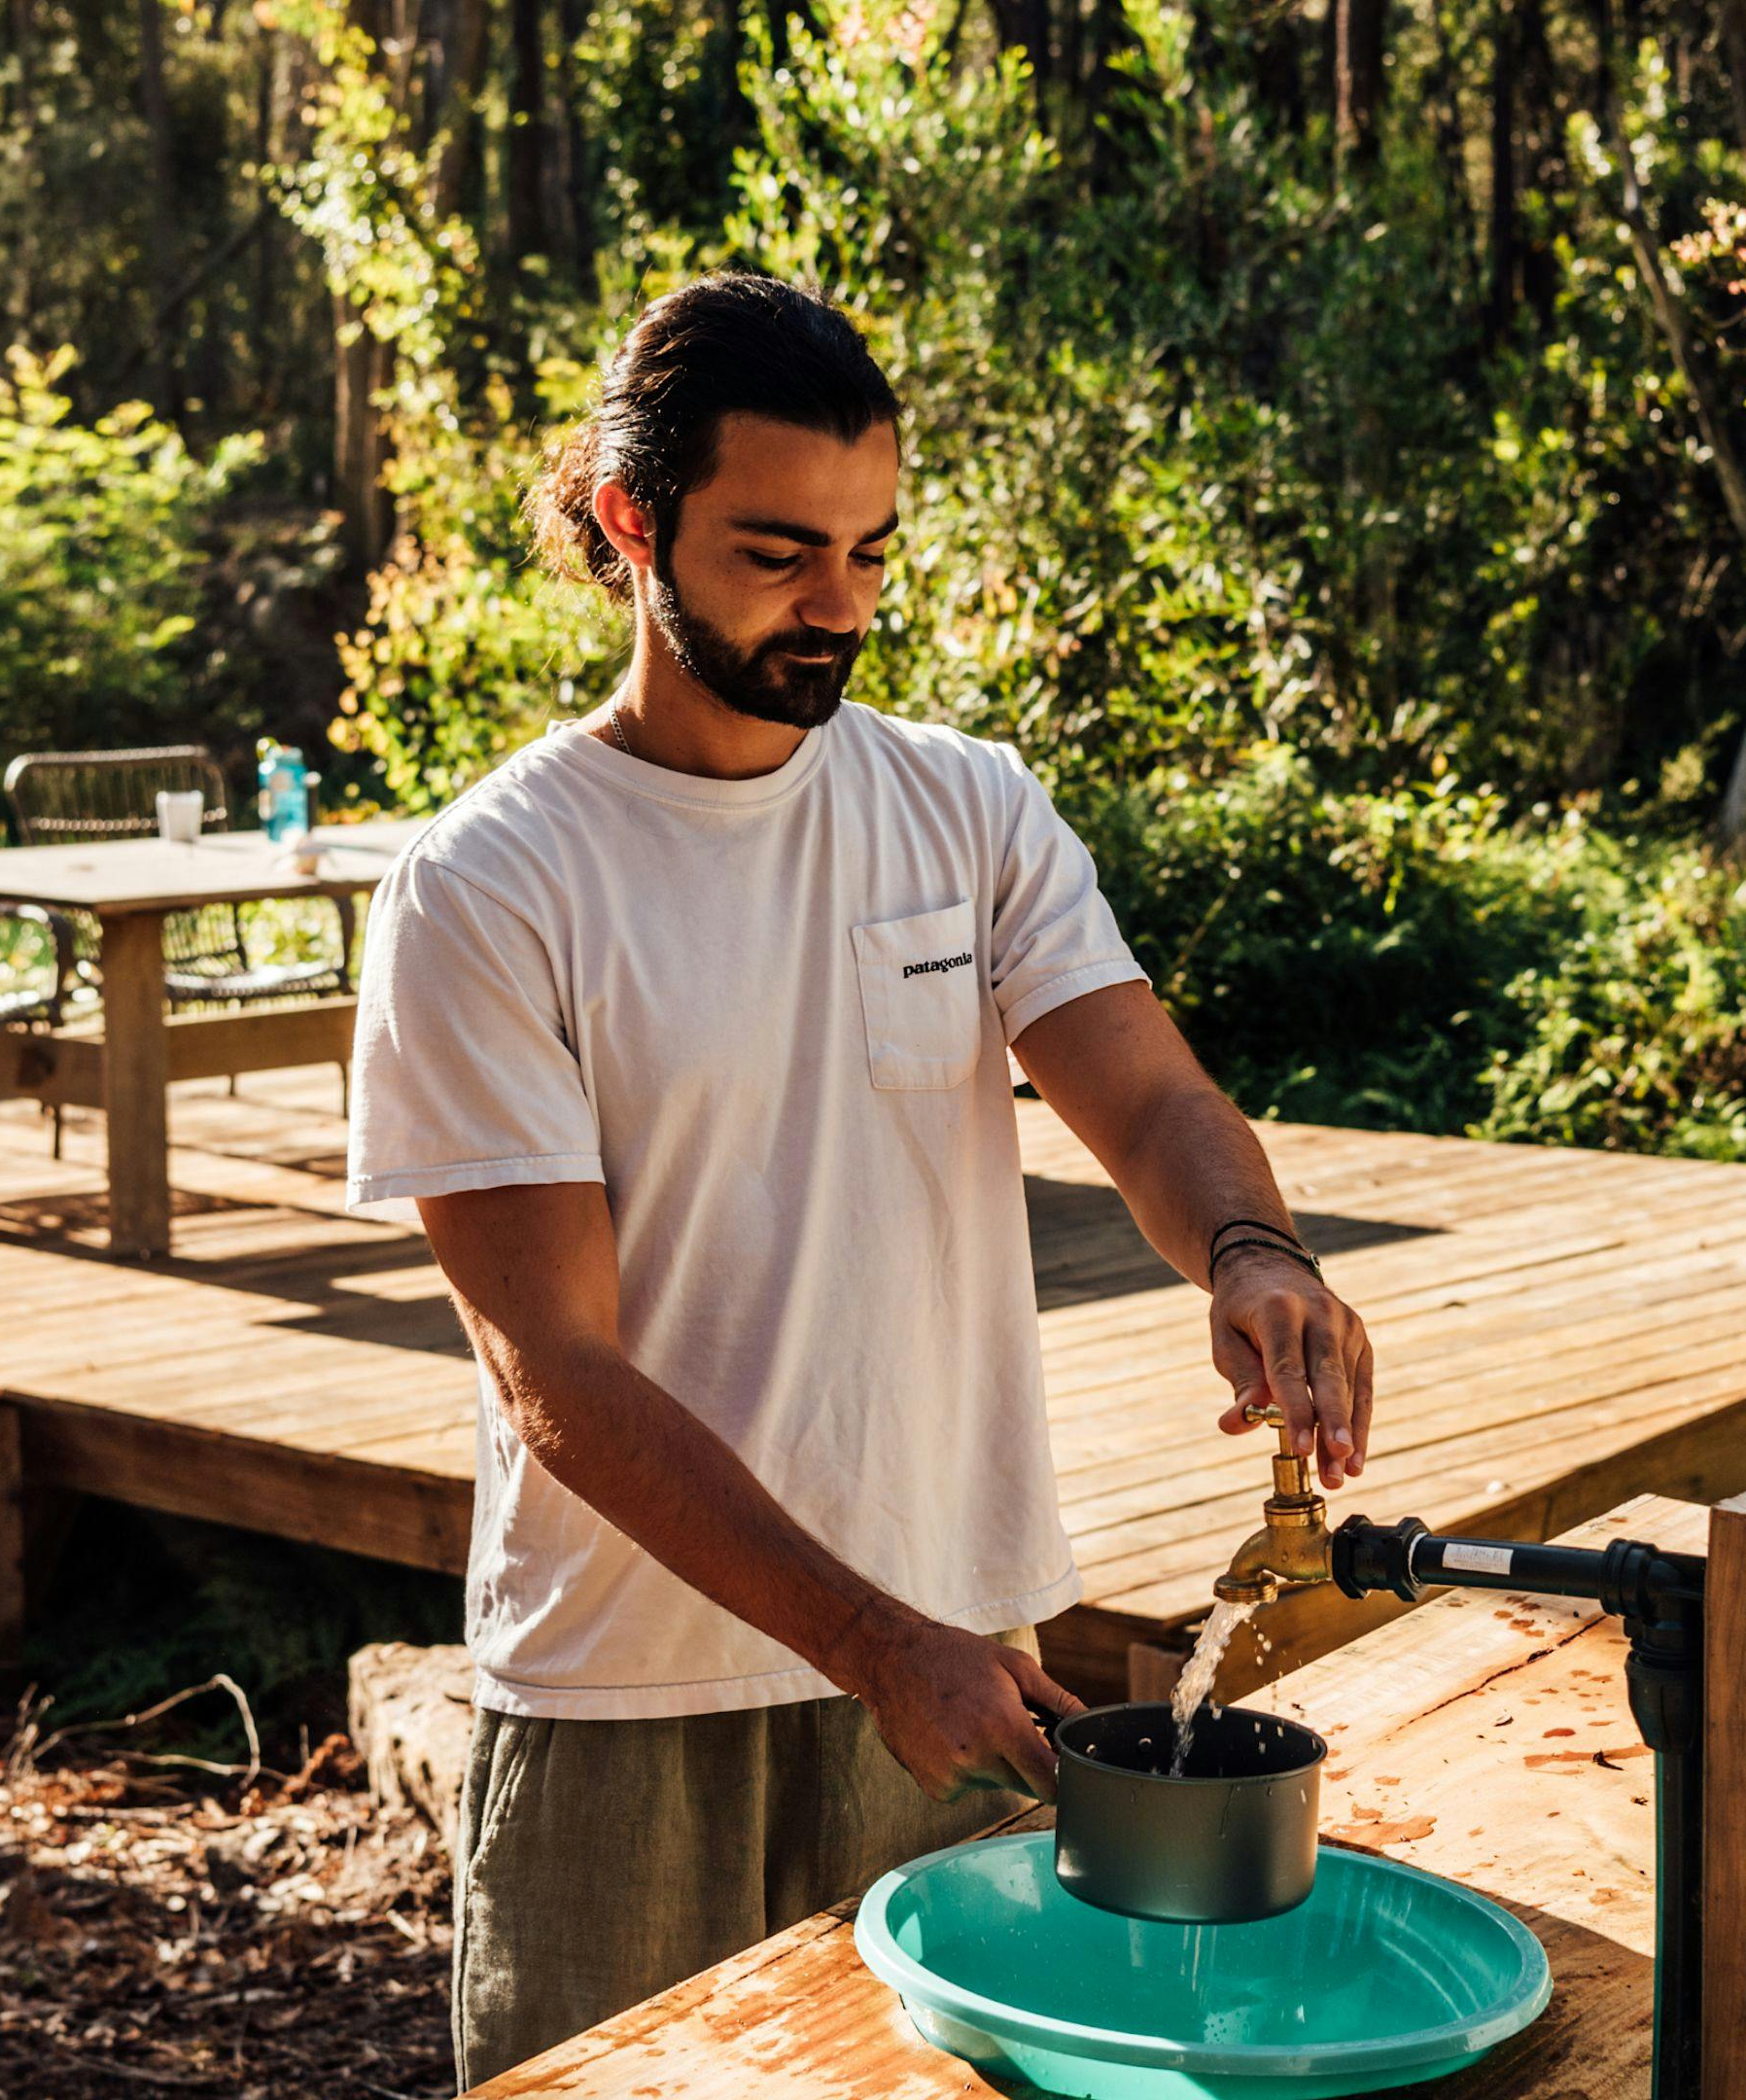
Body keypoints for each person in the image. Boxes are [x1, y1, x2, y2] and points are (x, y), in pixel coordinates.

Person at [343, 271, 1378, 2086]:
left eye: (873, 553)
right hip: (628, 1694)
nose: (840, 609)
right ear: (627, 523)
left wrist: (1249, 1249)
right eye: (775, 555)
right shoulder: (490, 886)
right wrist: (865, 1637)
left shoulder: (965, 807)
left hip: (965, 1671)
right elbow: (554, 1376)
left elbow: (1139, 1086)